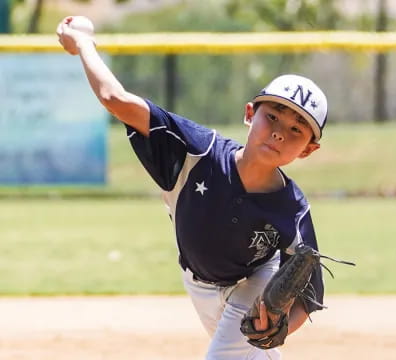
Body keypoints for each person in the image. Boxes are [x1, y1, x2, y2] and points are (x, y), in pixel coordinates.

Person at [57, 16, 334, 359]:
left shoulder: (292, 209)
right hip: (199, 284)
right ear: (250, 113)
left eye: (297, 130)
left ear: (308, 149)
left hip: (256, 282)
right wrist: (84, 44)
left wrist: (279, 329)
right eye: (273, 116)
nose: (279, 132)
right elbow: (115, 99)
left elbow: (308, 297)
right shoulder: (195, 152)